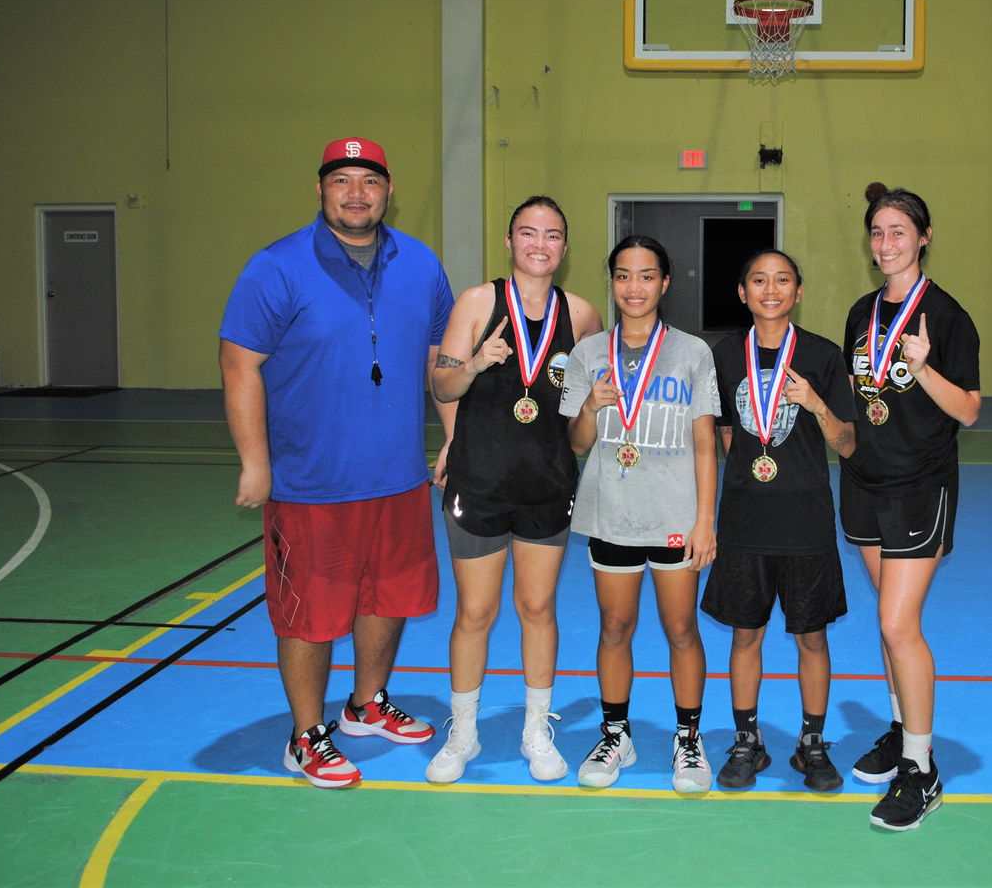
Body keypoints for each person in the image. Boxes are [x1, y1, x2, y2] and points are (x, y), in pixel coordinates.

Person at [219, 137, 455, 788]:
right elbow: (239, 363)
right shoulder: (276, 266)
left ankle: (365, 705)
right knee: (309, 613)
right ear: (322, 189)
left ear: (388, 189)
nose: (357, 193)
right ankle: (304, 734)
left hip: (399, 477)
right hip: (310, 485)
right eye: (342, 180)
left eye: (370, 181)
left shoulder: (421, 264)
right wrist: (254, 463)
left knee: (390, 597)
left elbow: (439, 360)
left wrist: (453, 437)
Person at [423, 196, 601, 784]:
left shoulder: (582, 315)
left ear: (565, 247)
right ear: (509, 242)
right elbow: (443, 386)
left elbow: (578, 414)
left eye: (552, 235)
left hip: (547, 485)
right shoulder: (478, 302)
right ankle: (464, 731)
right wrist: (474, 363)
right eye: (528, 233)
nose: (540, 244)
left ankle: (534, 728)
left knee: (537, 607)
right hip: (481, 482)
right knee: (475, 611)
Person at [841, 187, 982, 831]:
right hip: (866, 482)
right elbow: (858, 395)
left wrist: (923, 369)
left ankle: (921, 771)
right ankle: (901, 729)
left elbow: (970, 411)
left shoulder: (948, 318)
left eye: (899, 232)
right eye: (878, 232)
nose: (886, 243)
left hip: (921, 484)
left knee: (901, 626)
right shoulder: (860, 313)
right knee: (887, 620)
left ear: (923, 237)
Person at [558, 235, 720, 794]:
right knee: (615, 626)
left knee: (681, 628)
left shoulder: (693, 353)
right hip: (613, 515)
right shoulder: (587, 353)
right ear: (612, 281)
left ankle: (688, 738)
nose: (634, 287)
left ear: (665, 283)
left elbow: (706, 445)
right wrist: (590, 406)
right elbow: (577, 444)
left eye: (647, 275)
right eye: (623, 275)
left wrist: (705, 520)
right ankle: (615, 733)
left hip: (674, 513)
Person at [703, 250, 856, 793]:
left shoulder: (823, 356)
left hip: (806, 522)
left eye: (783, 280)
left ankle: (811, 744)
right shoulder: (722, 356)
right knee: (747, 634)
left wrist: (815, 402)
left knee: (811, 637)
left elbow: (846, 441)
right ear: (742, 292)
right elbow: (724, 438)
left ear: (799, 292)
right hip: (744, 522)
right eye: (759, 280)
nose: (771, 289)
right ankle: (748, 741)